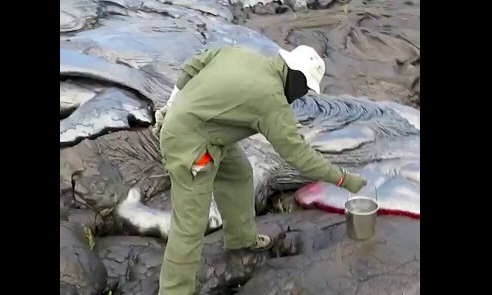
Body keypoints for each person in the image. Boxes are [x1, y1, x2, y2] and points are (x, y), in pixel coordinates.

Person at [153, 45, 368, 295]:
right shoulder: (272, 101)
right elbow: (299, 155)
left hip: (208, 133)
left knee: (238, 173)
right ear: (295, 78)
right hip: (192, 147)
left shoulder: (242, 54)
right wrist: (343, 178)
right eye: (304, 88)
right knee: (190, 224)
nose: (302, 95)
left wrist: (172, 105)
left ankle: (240, 238)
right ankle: (174, 290)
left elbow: (192, 65)